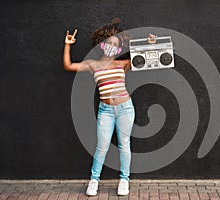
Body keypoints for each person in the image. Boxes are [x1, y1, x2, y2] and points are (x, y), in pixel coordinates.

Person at [62, 18, 156, 196]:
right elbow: (68, 65)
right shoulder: (93, 65)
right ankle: (94, 181)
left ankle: (124, 180)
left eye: (116, 44)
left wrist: (150, 43)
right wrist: (68, 45)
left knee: (124, 144)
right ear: (102, 44)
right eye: (109, 43)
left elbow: (144, 58)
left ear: (120, 48)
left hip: (125, 109)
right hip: (105, 111)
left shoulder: (123, 64)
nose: (112, 46)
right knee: (102, 146)